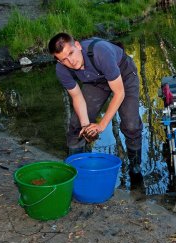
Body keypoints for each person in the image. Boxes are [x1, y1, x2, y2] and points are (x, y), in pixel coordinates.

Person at [48, 32, 143, 176]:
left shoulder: (100, 52)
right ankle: (74, 166)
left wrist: (101, 125)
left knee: (131, 125)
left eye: (71, 53)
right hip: (96, 81)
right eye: (65, 59)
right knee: (76, 124)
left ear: (78, 46)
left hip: (124, 75)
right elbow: (77, 97)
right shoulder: (62, 70)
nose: (71, 61)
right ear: (60, 61)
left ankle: (135, 167)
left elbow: (119, 93)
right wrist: (86, 125)